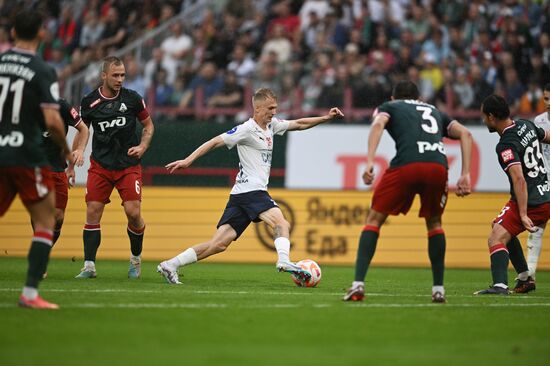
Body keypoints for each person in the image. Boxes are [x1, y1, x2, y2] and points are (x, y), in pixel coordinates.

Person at [157, 88, 344, 284]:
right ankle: (284, 261)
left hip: (241, 194)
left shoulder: (272, 126)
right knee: (282, 223)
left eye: (276, 108)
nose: (274, 112)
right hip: (251, 190)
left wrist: (326, 118)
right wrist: (188, 160)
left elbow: (298, 124)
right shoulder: (246, 129)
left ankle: (170, 265)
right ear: (257, 108)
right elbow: (214, 142)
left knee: (218, 244)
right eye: (270, 108)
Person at [343, 80, 473, 303]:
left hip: (407, 165)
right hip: (437, 166)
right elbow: (466, 134)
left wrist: (369, 161)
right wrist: (465, 173)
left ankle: (358, 285)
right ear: (419, 98)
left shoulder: (389, 107)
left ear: (394, 97)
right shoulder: (435, 111)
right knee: (434, 223)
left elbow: (377, 125)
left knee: (374, 219)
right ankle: (438, 289)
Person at [0, 9, 71, 309]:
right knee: (45, 221)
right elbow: (54, 121)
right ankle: (30, 294)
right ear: (42, 34)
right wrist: (65, 151)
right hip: (27, 155)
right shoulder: (41, 69)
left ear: (13, 32)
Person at [75, 56, 155, 280]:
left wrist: (143, 145)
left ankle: (135, 260)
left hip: (128, 166)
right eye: (115, 75)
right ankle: (89, 266)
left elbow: (148, 125)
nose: (120, 79)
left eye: (122, 75)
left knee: (133, 212)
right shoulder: (89, 102)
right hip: (100, 165)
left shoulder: (132, 99)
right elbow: (83, 130)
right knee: (92, 211)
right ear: (104, 76)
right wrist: (80, 150)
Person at [474, 94, 550, 295]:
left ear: (491, 117)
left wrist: (524, 214)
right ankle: (525, 278)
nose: (483, 120)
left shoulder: (506, 144)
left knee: (495, 238)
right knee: (499, 227)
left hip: (532, 200)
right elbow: (546, 136)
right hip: (545, 193)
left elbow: (519, 179)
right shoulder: (526, 125)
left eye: (484, 116)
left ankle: (500, 286)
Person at [39, 99, 89, 248]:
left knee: (58, 217)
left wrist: (79, 150)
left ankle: (44, 250)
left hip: (57, 167)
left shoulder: (63, 106)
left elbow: (84, 129)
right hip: (36, 167)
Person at [523, 83, 550, 283]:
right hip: (546, 181)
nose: (548, 103)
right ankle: (530, 273)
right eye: (546, 99)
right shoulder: (539, 121)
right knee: (537, 227)